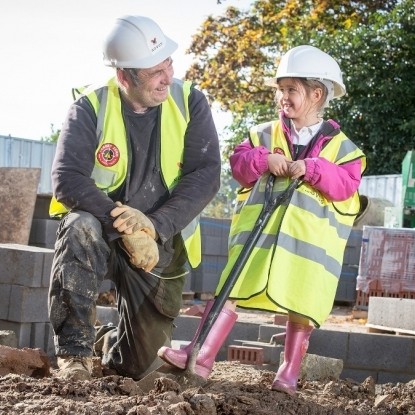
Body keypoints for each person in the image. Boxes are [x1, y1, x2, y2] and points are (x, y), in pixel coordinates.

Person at [158, 45, 366, 394]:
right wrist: (264, 159)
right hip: (258, 236)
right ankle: (200, 354)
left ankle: (288, 374)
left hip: (306, 248)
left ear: (317, 94)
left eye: (291, 90)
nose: (282, 97)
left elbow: (346, 186)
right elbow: (239, 165)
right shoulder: (263, 134)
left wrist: (312, 168)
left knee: (301, 306)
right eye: (280, 90)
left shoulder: (344, 149)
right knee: (229, 292)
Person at [48, 15, 221, 381]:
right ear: (125, 77)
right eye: (155, 72)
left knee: (141, 367)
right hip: (103, 234)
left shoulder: (190, 102)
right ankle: (74, 354)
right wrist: (123, 223)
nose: (168, 77)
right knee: (79, 225)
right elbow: (66, 179)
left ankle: (108, 343)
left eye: (169, 64)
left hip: (160, 243)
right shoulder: (89, 108)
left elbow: (205, 174)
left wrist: (154, 227)